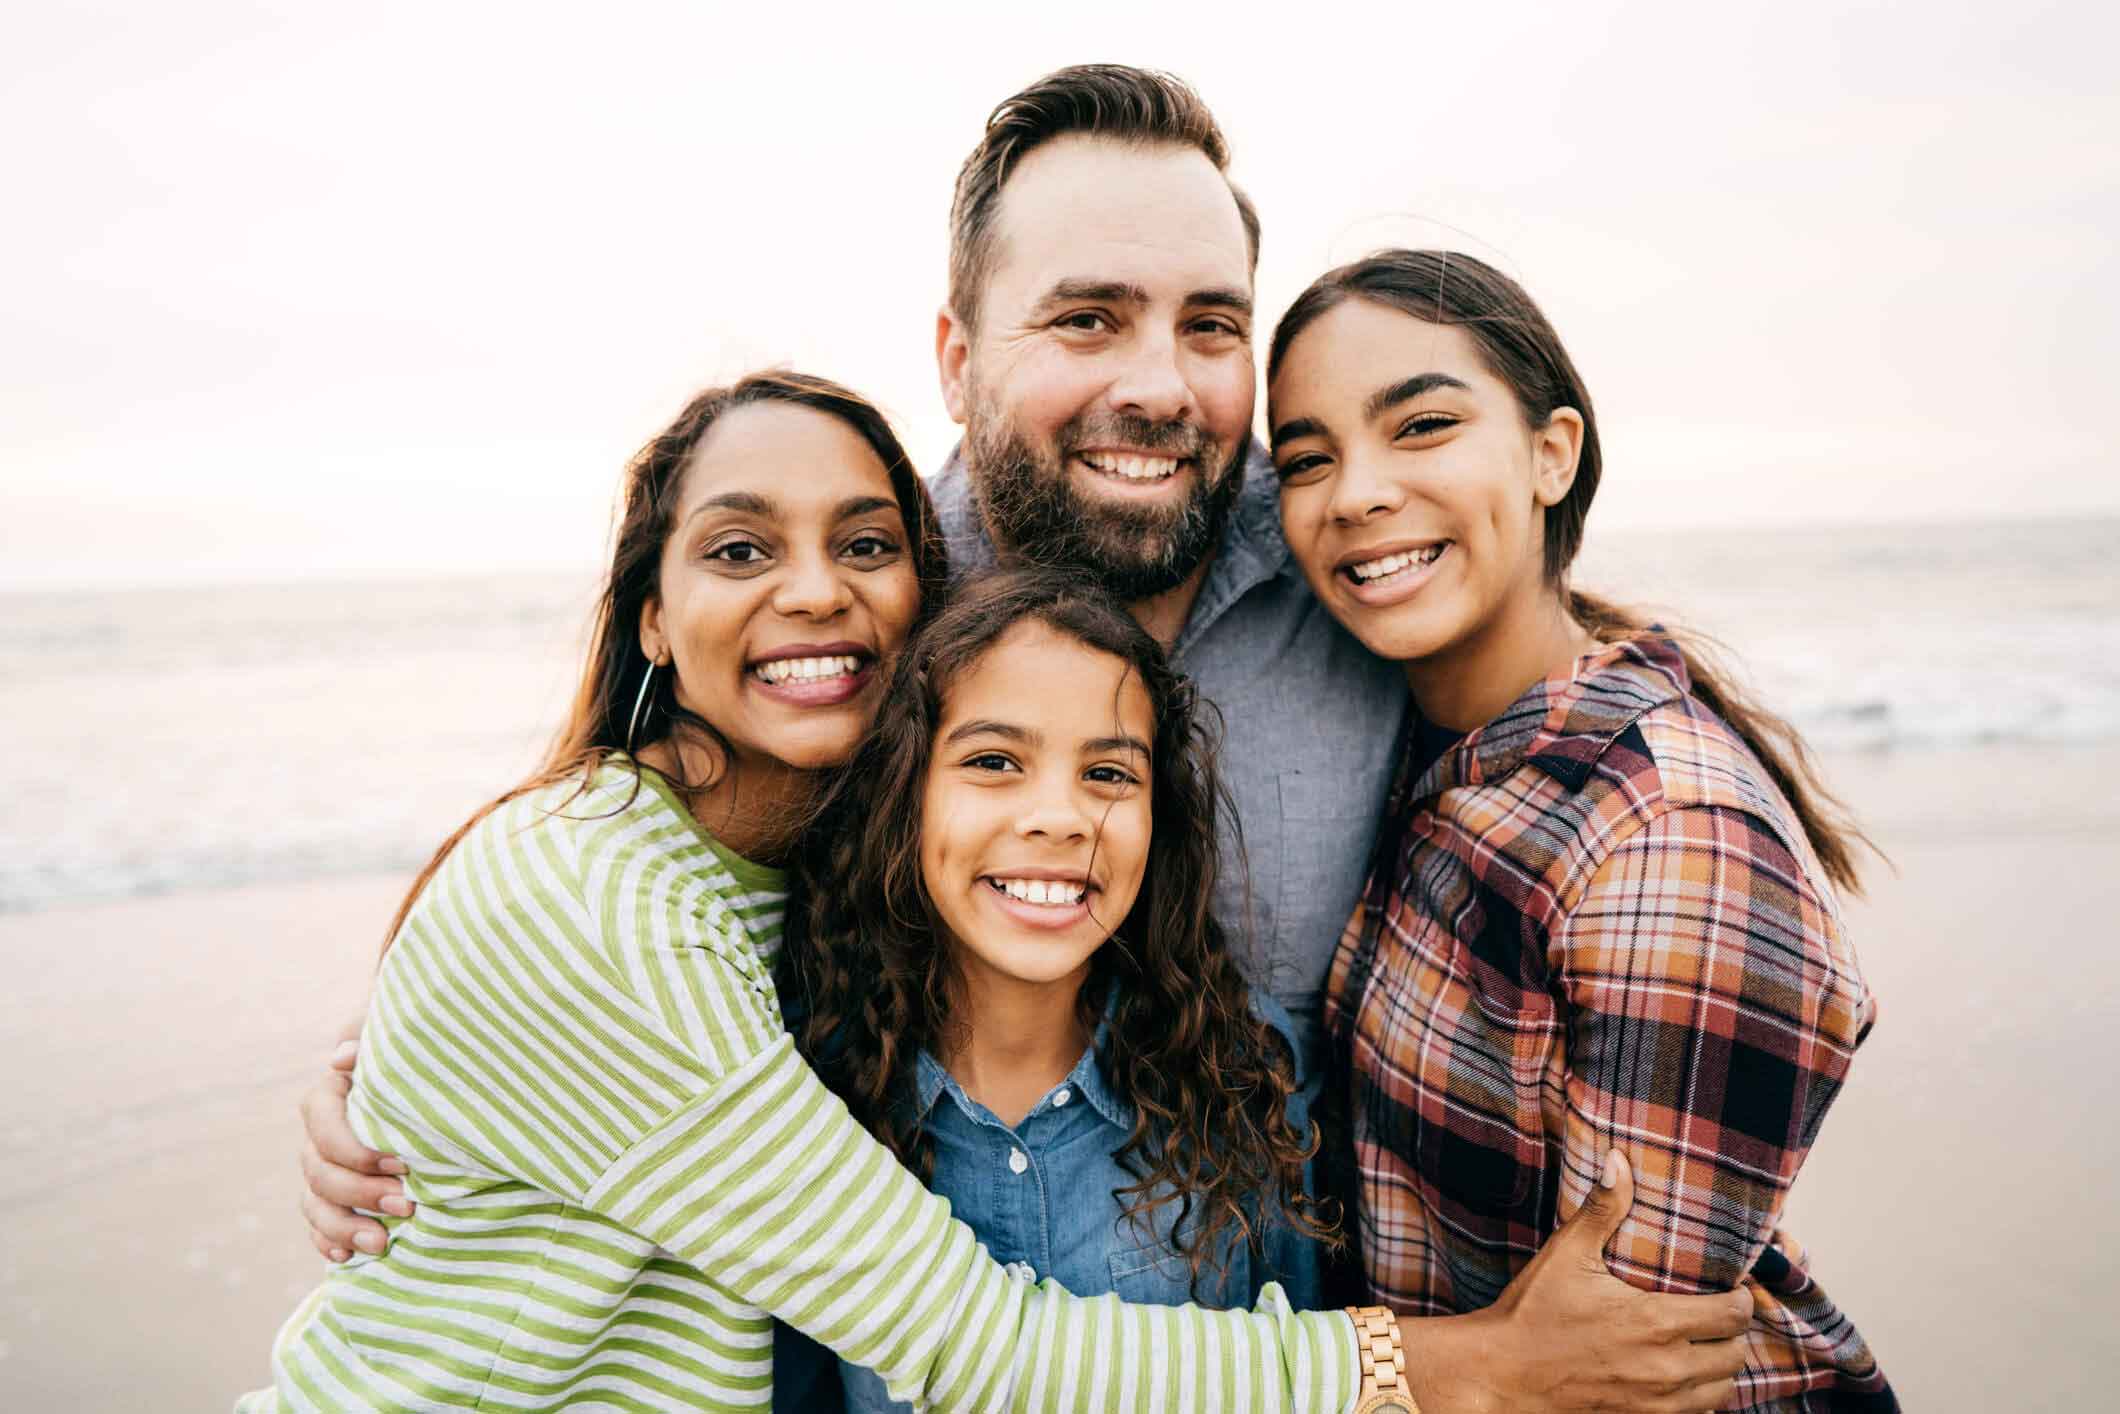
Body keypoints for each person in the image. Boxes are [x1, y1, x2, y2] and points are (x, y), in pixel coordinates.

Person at [295, 66, 1761, 1410]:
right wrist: (399, 1073)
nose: (1156, 383)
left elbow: (1564, 724)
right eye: (1085, 316)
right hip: (908, 1320)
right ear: (955, 353)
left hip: (1275, 1294)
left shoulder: (1345, 552)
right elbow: (646, 886)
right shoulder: (876, 615)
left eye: (1209, 325)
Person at [238, 369, 1390, 1412]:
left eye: (866, 545)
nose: (811, 592)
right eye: (739, 550)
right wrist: (1435, 1367)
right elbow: (970, 1344)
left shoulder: (810, 880)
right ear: (650, 615)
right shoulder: (589, 898)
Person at [1266, 249, 1898, 1409]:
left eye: (1419, 427)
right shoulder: (1429, 748)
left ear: (1551, 452)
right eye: (1307, 458)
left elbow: (1611, 1374)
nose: (1354, 491)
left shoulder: (1666, 840)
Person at [782, 568, 1335, 1411]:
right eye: (995, 761)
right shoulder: (813, 1098)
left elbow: (1311, 1370)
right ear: (909, 796)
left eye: (1109, 775)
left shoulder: (1244, 1071)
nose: (1060, 816)